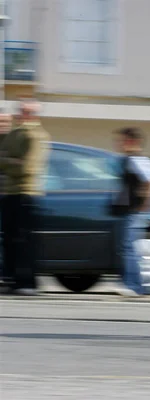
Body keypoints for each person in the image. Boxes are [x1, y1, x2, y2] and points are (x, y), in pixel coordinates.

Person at [0, 99, 50, 295]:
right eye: (21, 110)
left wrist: (7, 161)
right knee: (10, 240)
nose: (22, 114)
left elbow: (28, 167)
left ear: (35, 114)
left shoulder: (37, 135)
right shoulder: (13, 134)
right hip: (10, 193)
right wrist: (12, 160)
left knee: (24, 240)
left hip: (27, 192)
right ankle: (13, 280)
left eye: (26, 111)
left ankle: (28, 282)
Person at [111, 127, 150, 297]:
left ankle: (134, 285)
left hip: (135, 211)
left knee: (130, 247)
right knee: (128, 246)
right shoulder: (128, 160)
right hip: (130, 211)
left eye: (123, 140)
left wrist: (145, 206)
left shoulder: (138, 160)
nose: (119, 144)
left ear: (132, 141)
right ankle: (132, 282)